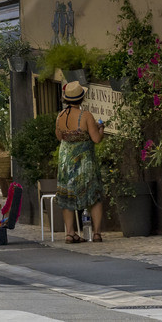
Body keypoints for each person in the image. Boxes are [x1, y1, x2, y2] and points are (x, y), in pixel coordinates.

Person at [55, 80, 105, 242]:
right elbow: (96, 139)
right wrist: (101, 130)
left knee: (67, 197)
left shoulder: (60, 116)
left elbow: (59, 136)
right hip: (84, 161)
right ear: (81, 99)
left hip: (66, 161)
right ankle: (96, 233)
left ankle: (70, 233)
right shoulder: (86, 116)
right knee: (94, 196)